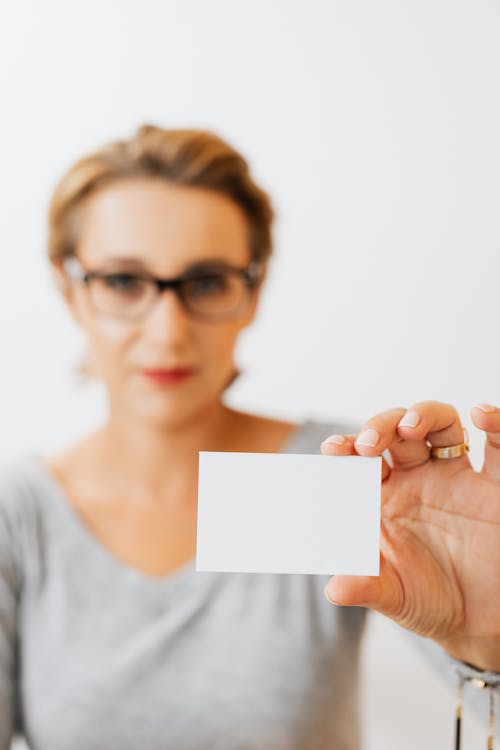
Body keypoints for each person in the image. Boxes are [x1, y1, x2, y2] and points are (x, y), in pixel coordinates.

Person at [0, 124, 497, 750]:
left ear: (253, 291)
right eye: (124, 282)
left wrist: (487, 641)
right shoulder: (16, 517)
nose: (167, 331)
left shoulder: (342, 472)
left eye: (206, 282)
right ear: (70, 288)